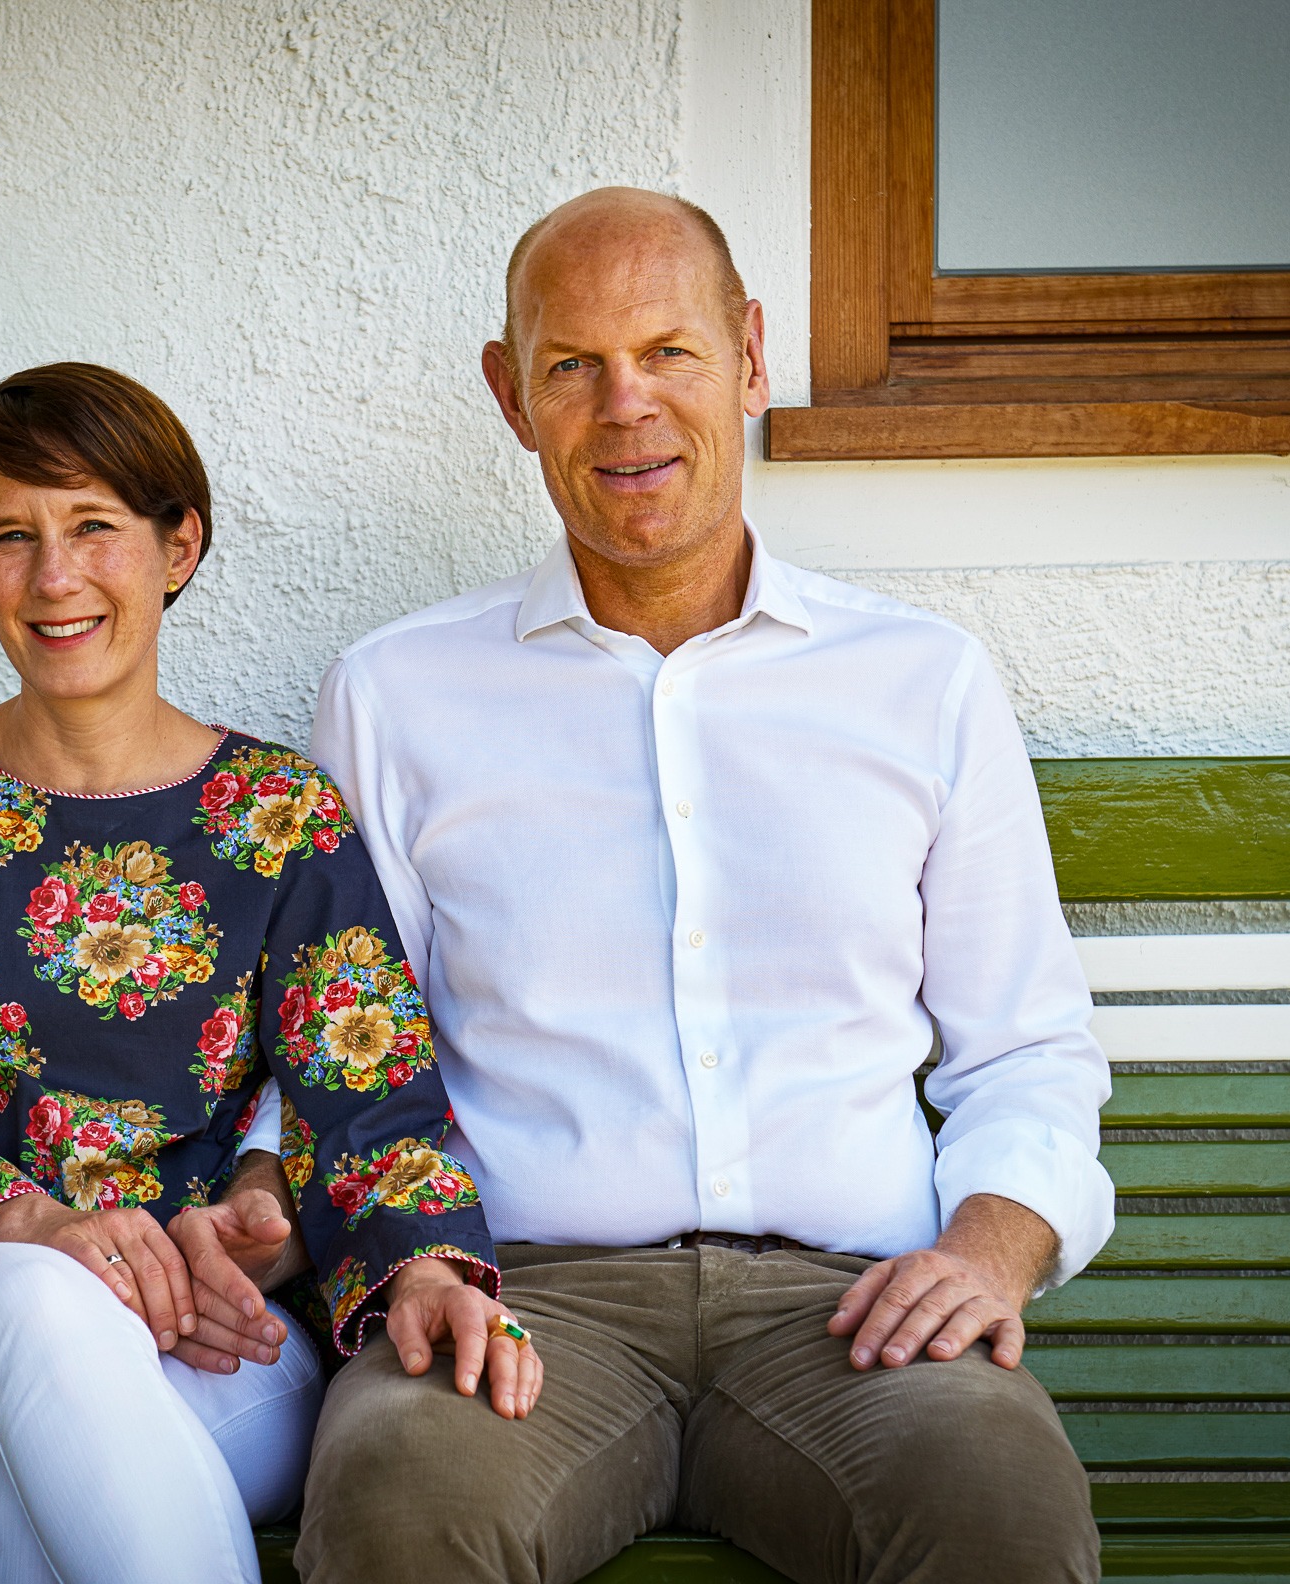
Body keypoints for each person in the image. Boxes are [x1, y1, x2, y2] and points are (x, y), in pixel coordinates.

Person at [295, 189, 1112, 1583]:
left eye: (668, 351)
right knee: (397, 1494)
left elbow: (1026, 1049)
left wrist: (989, 1248)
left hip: (853, 1313)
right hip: (525, 1301)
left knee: (999, 1505)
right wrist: (408, 1264)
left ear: (749, 358)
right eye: (573, 365)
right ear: (512, 396)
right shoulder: (398, 695)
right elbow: (347, 1060)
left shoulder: (920, 681)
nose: (627, 406)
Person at [0, 362, 539, 1584]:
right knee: (46, 1312)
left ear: (178, 545)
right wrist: (46, 1231)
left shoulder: (281, 817)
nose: (54, 577)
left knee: (38, 1518)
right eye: (11, 537)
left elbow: (374, 1105)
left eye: (93, 527)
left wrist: (343, 1238)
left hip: (215, 1337)